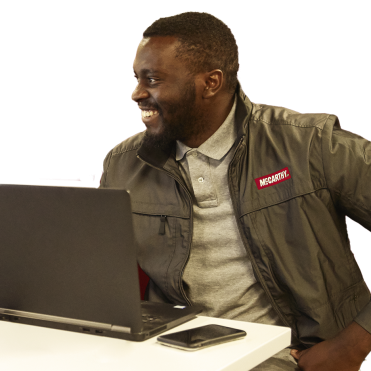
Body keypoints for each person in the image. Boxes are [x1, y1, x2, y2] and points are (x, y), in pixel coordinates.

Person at [99, 11, 370, 370]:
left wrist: (354, 342)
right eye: (137, 78)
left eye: (153, 79)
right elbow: (93, 274)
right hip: (170, 353)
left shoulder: (310, 145)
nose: (137, 93)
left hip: (286, 355)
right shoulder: (123, 163)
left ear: (211, 82)